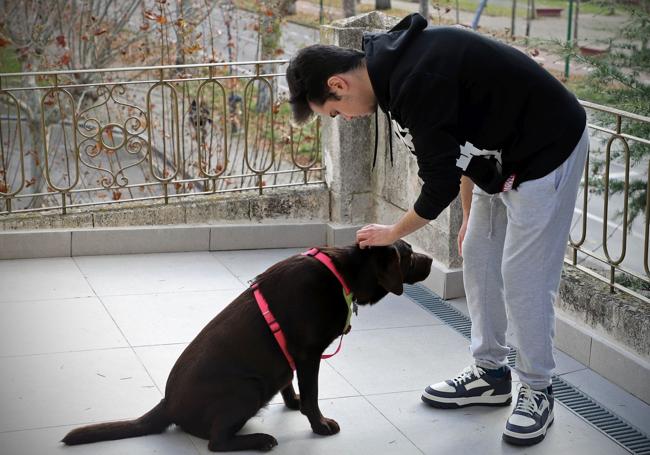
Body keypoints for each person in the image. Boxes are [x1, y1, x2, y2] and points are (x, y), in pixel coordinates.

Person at [285, 12, 588, 447]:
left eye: (335, 113)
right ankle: (491, 374)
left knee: (525, 279)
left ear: (338, 84)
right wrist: (470, 215)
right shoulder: (391, 73)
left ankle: (538, 389)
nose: (345, 119)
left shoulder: (413, 80)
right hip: (499, 158)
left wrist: (392, 232)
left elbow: (438, 183)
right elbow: (456, 144)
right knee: (480, 257)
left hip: (547, 149)